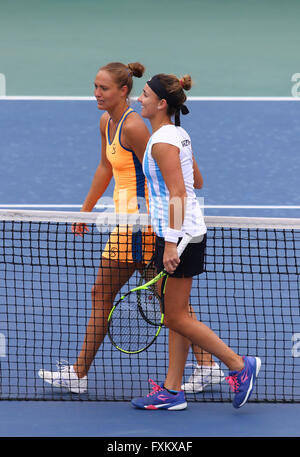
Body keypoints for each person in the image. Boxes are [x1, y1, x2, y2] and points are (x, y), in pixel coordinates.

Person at [37, 62, 220, 394]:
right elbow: (105, 167)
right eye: (95, 86)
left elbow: (166, 179)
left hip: (141, 229)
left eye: (103, 88)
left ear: (124, 90)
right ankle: (207, 366)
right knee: (169, 304)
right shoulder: (107, 122)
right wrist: (86, 210)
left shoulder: (137, 129)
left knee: (113, 296)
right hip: (127, 223)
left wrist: (160, 227)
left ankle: (79, 374)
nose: (96, 93)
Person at [131, 73, 261, 410]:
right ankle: (172, 391)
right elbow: (196, 181)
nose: (138, 99)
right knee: (176, 312)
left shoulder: (161, 142)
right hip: (180, 233)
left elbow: (178, 192)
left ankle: (238, 365)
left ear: (161, 103)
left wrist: (171, 243)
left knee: (175, 316)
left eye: (144, 95)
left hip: (180, 237)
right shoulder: (178, 135)